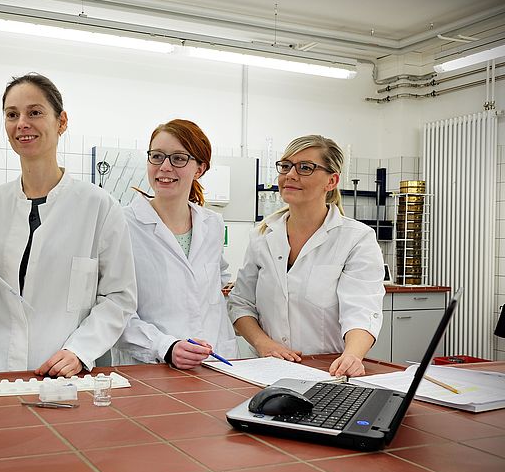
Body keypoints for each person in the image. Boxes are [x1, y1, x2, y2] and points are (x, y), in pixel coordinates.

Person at [0, 73, 137, 377]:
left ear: (62, 121)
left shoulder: (99, 206)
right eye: (11, 115)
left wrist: (79, 350)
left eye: (35, 112)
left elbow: (119, 297)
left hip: (64, 369)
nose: (22, 124)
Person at [227, 135, 384, 377]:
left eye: (305, 168)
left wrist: (352, 355)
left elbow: (361, 310)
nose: (290, 174)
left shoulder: (356, 238)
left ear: (331, 181)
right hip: (265, 369)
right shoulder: (262, 235)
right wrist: (262, 343)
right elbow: (241, 303)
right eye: (286, 166)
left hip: (326, 368)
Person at [112, 119, 238, 369]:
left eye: (178, 158)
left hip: (215, 361)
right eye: (157, 156)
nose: (165, 167)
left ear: (200, 168)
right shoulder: (121, 224)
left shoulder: (211, 224)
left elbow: (218, 277)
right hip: (151, 365)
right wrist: (165, 346)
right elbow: (113, 307)